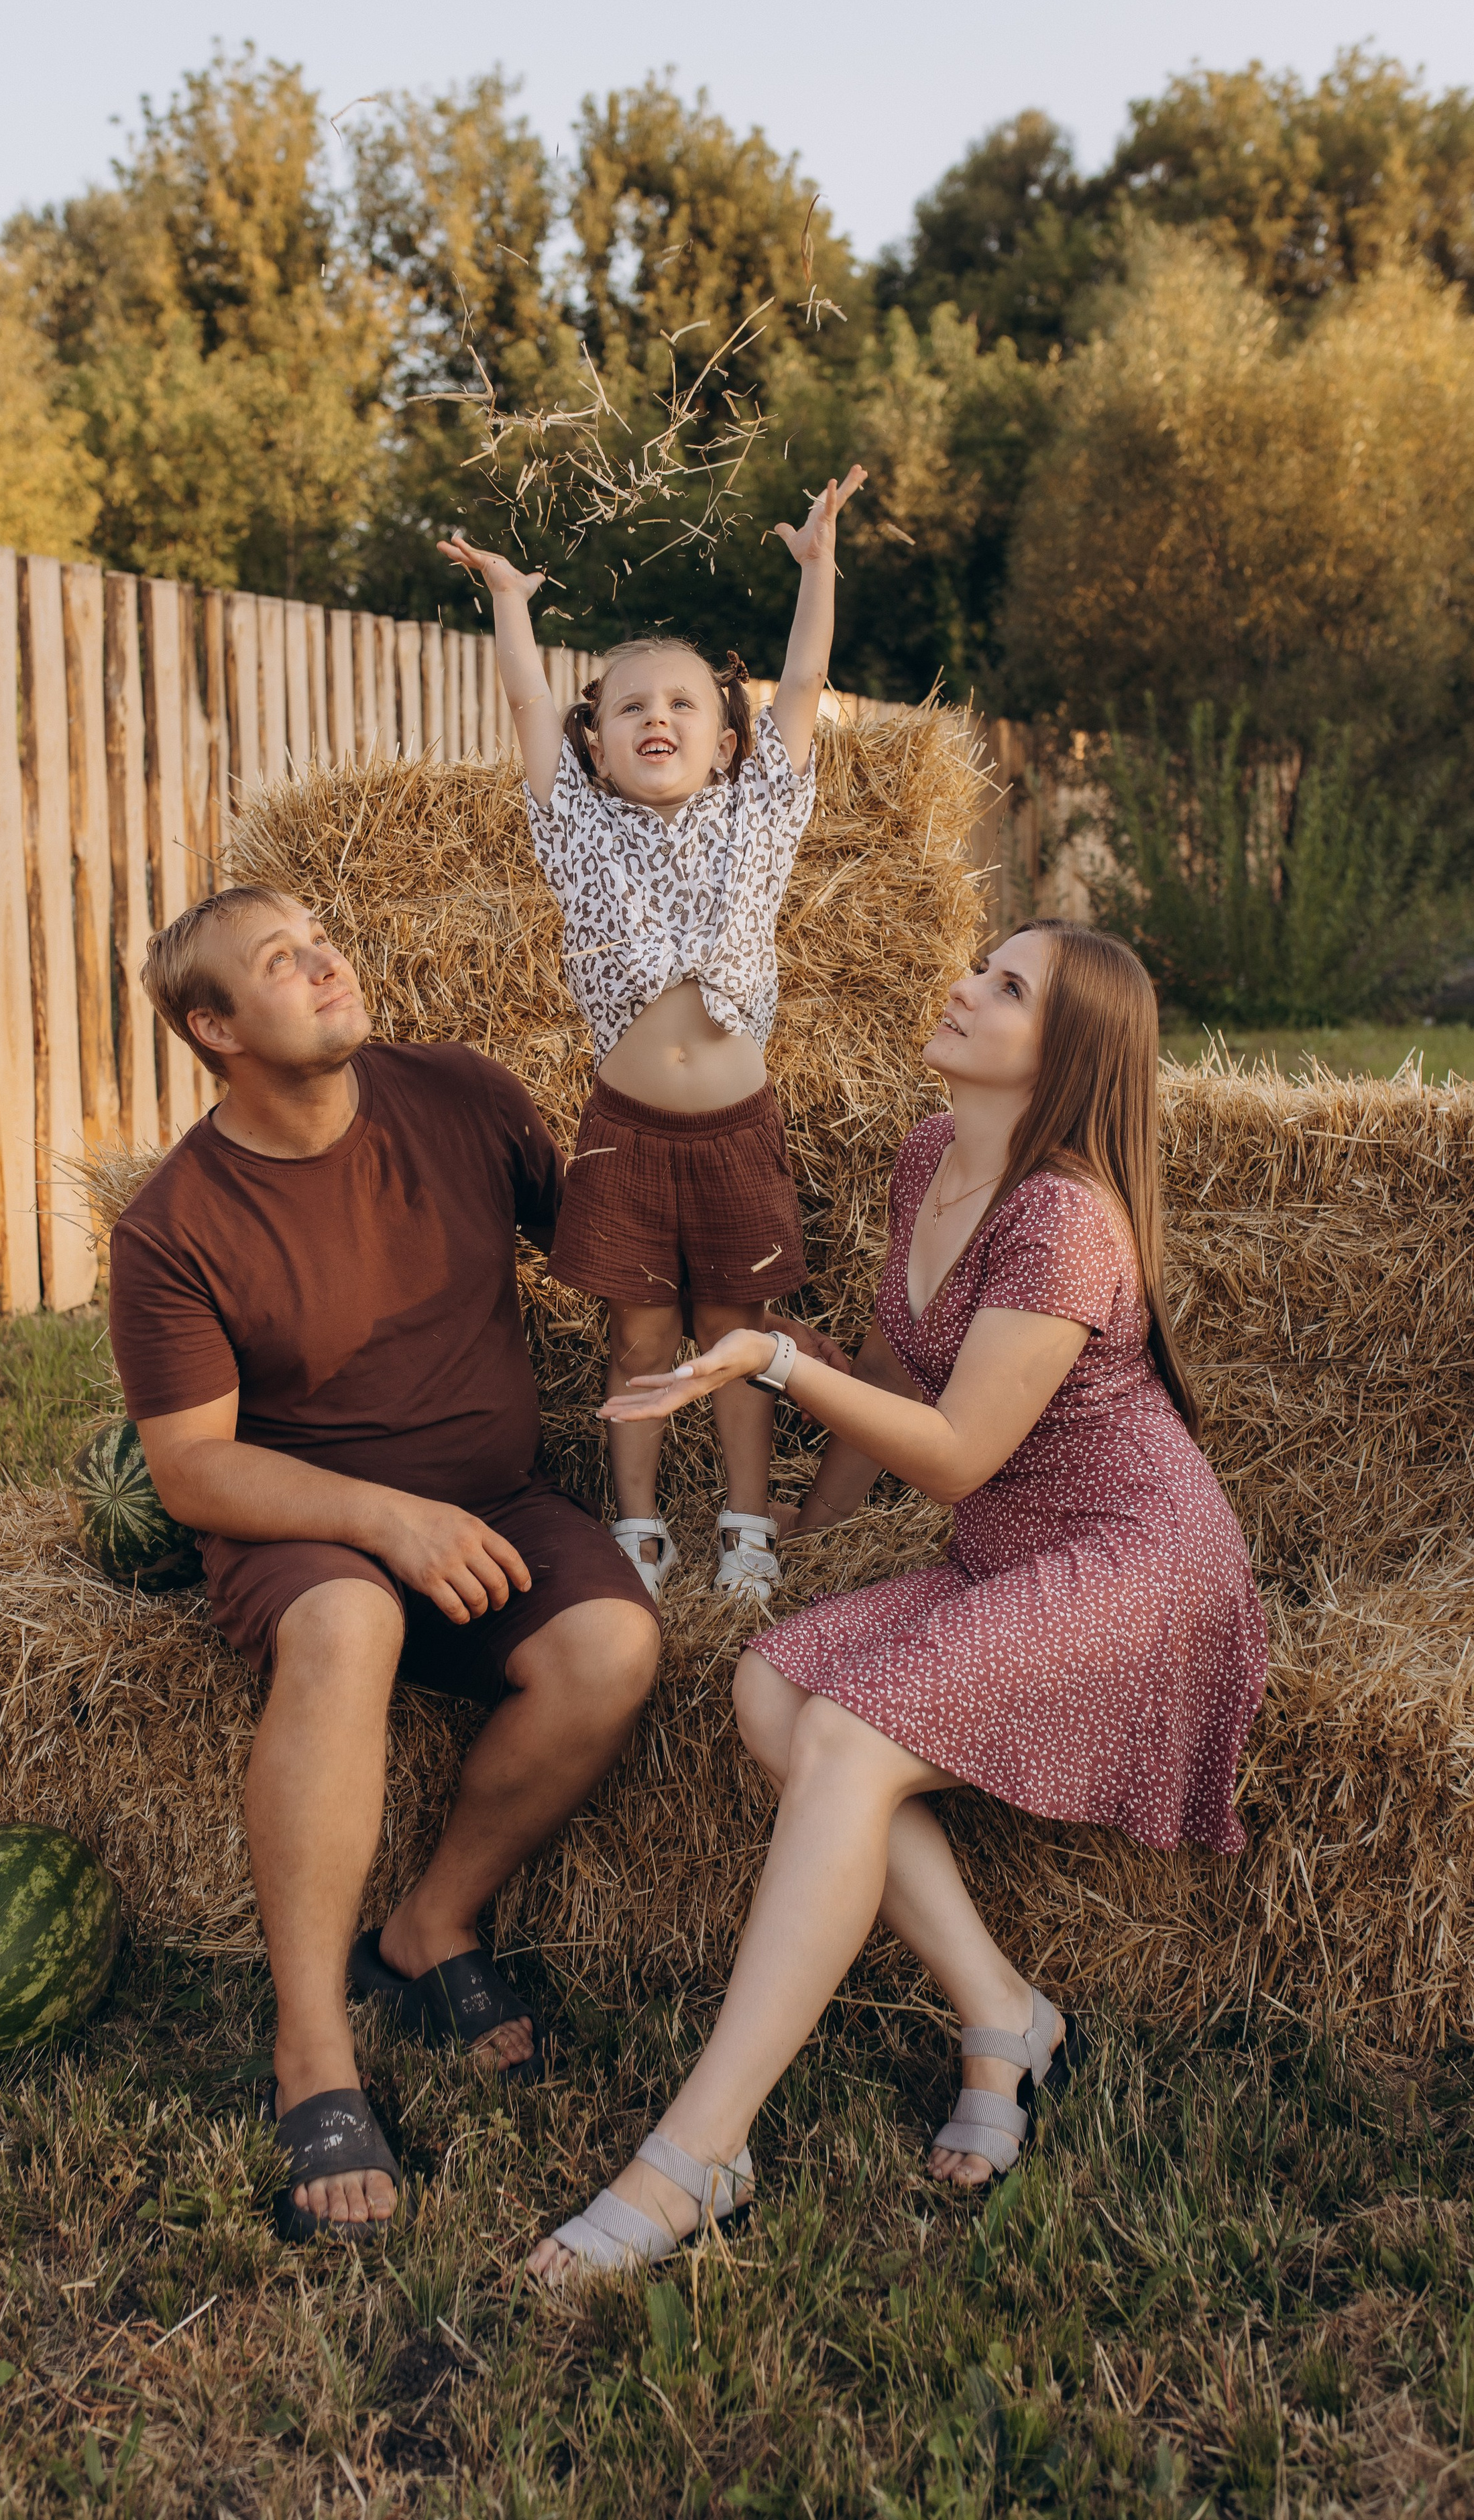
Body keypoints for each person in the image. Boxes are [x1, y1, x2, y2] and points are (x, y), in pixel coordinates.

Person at [528, 920, 1269, 2277]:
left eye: (1005, 988)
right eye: (977, 963)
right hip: (1010, 1557)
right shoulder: (930, 1155)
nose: (961, 985)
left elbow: (959, 1451)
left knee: (848, 1739)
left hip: (1137, 1562)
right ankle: (1003, 2015)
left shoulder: (1061, 1218)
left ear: (1066, 1054)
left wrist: (765, 1360)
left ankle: (695, 2153)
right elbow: (894, 1359)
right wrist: (811, 1497)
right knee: (771, 1686)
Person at [106, 882, 666, 2241]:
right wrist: (382, 1519)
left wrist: (744, 1318)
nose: (324, 961)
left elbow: (611, 1255)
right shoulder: (173, 1225)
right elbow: (192, 1470)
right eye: (279, 962)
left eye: (320, 938)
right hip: (301, 1531)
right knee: (351, 1619)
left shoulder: (462, 1097)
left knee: (615, 1648)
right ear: (213, 1027)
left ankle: (429, 1925)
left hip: (494, 1501)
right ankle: (313, 2046)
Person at [440, 467, 866, 1607]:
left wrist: (818, 569)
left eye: (683, 704)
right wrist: (510, 601)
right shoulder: (575, 826)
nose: (658, 719)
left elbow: (808, 679)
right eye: (630, 708)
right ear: (598, 746)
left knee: (737, 1334)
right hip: (626, 1132)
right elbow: (531, 708)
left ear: (727, 742)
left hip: (734, 1130)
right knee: (637, 1339)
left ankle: (744, 1530)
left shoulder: (760, 811)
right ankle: (637, 1530)